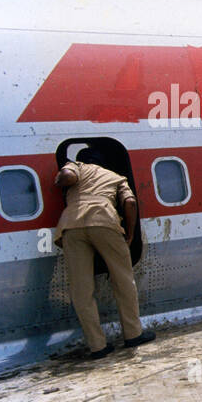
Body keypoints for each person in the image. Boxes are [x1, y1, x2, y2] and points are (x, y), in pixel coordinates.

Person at [53, 148, 156, 359]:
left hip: (71, 226)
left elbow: (68, 177)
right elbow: (130, 202)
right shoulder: (116, 177)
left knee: (81, 289)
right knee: (124, 281)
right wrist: (129, 234)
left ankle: (97, 346)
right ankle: (133, 334)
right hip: (104, 221)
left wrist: (58, 180)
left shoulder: (78, 167)